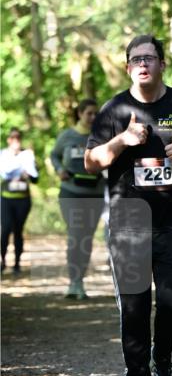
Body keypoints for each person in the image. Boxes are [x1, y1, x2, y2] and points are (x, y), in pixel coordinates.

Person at [84, 34, 172, 376]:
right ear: (127, 67)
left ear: (161, 64)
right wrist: (123, 140)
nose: (143, 64)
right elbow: (91, 162)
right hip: (128, 222)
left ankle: (164, 357)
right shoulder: (114, 110)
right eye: (135, 59)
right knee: (135, 306)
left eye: (150, 58)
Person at [50, 99, 106, 300]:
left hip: (95, 193)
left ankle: (79, 281)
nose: (93, 117)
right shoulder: (67, 135)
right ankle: (73, 281)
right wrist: (59, 170)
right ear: (80, 114)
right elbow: (54, 155)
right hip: (70, 192)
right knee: (76, 235)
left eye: (95, 114)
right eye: (89, 113)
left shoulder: (101, 136)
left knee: (86, 238)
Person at [0, 127, 39, 275]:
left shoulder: (27, 156)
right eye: (12, 138)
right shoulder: (2, 155)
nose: (15, 140)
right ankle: (3, 261)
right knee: (5, 230)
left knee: (18, 231)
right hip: (6, 199)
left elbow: (36, 179)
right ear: (8, 140)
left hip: (23, 201)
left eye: (18, 138)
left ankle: (16, 264)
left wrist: (28, 172)